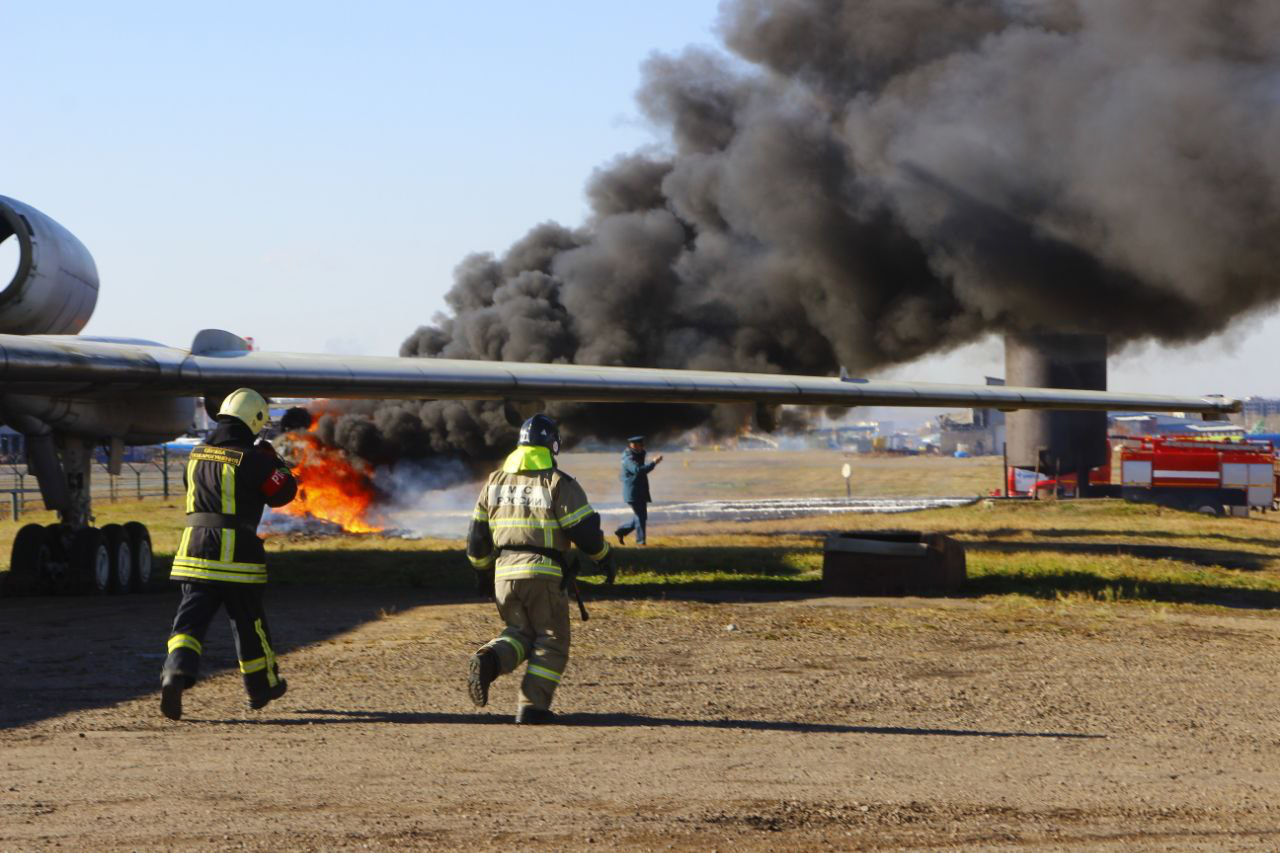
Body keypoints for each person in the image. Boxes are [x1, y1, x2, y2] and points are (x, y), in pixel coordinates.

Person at [159, 388, 299, 721]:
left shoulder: (194, 456)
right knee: (249, 623)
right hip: (238, 557)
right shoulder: (252, 459)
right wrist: (274, 460)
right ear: (254, 421)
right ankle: (262, 686)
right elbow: (284, 492)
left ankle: (175, 673)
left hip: (194, 553)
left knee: (189, 622)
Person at [465, 413, 615, 724]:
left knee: (520, 632)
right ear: (551, 447)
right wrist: (604, 557)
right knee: (552, 639)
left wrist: (482, 572)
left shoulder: (494, 482)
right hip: (543, 573)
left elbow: (476, 539)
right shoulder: (558, 483)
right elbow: (584, 531)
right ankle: (533, 707)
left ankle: (490, 659)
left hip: (504, 575)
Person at [614, 435, 662, 546]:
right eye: (641, 445)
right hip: (633, 493)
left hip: (640, 491)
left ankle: (621, 531)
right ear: (633, 445)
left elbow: (641, 456)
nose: (643, 447)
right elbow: (638, 470)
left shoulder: (636, 455)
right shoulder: (628, 458)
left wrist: (649, 458)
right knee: (640, 517)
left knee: (640, 517)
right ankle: (641, 542)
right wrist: (654, 463)